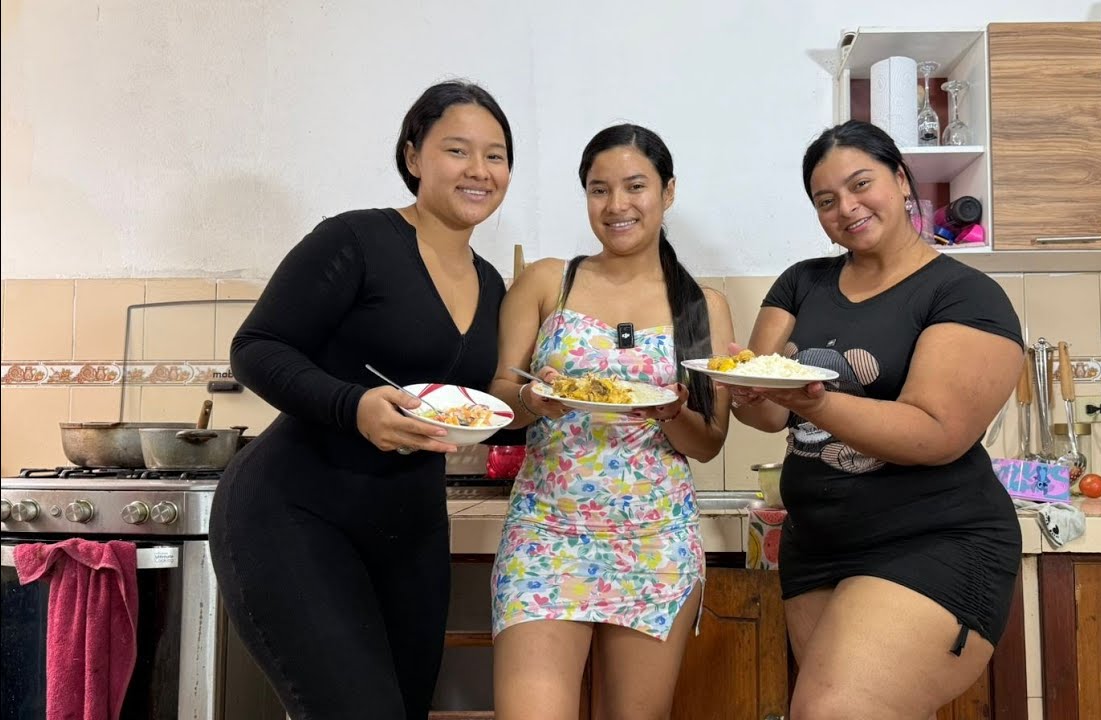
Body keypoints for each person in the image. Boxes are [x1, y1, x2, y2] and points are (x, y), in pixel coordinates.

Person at [208, 81, 515, 720]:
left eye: (496, 154)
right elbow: (257, 346)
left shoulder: (490, 284)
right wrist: (354, 407)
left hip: (411, 531)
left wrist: (557, 408)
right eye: (458, 150)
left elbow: (477, 408)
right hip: (294, 512)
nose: (479, 170)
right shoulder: (356, 240)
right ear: (413, 157)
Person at [728, 120, 1024, 720]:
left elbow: (935, 433)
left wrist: (814, 401)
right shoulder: (801, 283)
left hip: (932, 540)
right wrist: (743, 391)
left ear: (900, 177)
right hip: (817, 547)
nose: (847, 208)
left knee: (830, 711)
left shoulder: (963, 294)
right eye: (826, 200)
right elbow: (763, 407)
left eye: (861, 184)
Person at [487, 124, 734, 719]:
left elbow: (708, 442)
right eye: (599, 190)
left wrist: (670, 413)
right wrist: (533, 403)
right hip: (547, 532)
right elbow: (502, 391)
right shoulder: (549, 281)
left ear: (667, 192)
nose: (617, 205)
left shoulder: (702, 304)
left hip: (655, 542)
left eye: (635, 186)